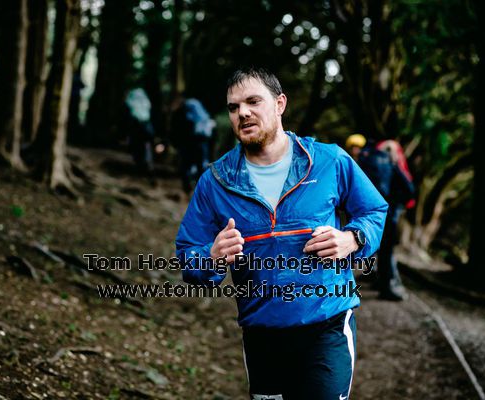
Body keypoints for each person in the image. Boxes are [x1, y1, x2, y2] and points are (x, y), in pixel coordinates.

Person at [176, 68, 388, 399]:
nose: (242, 112)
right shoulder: (215, 181)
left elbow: (374, 210)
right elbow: (190, 255)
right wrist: (212, 257)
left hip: (327, 324)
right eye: (234, 107)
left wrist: (353, 239)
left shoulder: (329, 160)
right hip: (262, 333)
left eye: (253, 101)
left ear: (279, 104)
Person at [345, 134, 415, 301]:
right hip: (389, 213)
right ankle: (387, 285)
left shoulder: (358, 163)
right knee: (386, 251)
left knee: (375, 248)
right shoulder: (389, 161)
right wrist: (398, 204)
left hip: (367, 216)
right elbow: (408, 188)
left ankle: (378, 282)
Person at [171, 94, 216, 193]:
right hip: (202, 140)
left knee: (186, 164)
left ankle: (188, 187)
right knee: (201, 164)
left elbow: (178, 128)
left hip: (189, 142)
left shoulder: (183, 111)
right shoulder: (201, 112)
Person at [124, 88, 155, 178]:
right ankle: (149, 166)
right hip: (147, 128)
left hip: (136, 129)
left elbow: (128, 116)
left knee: (137, 148)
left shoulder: (131, 101)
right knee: (147, 147)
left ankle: (141, 167)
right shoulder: (146, 102)